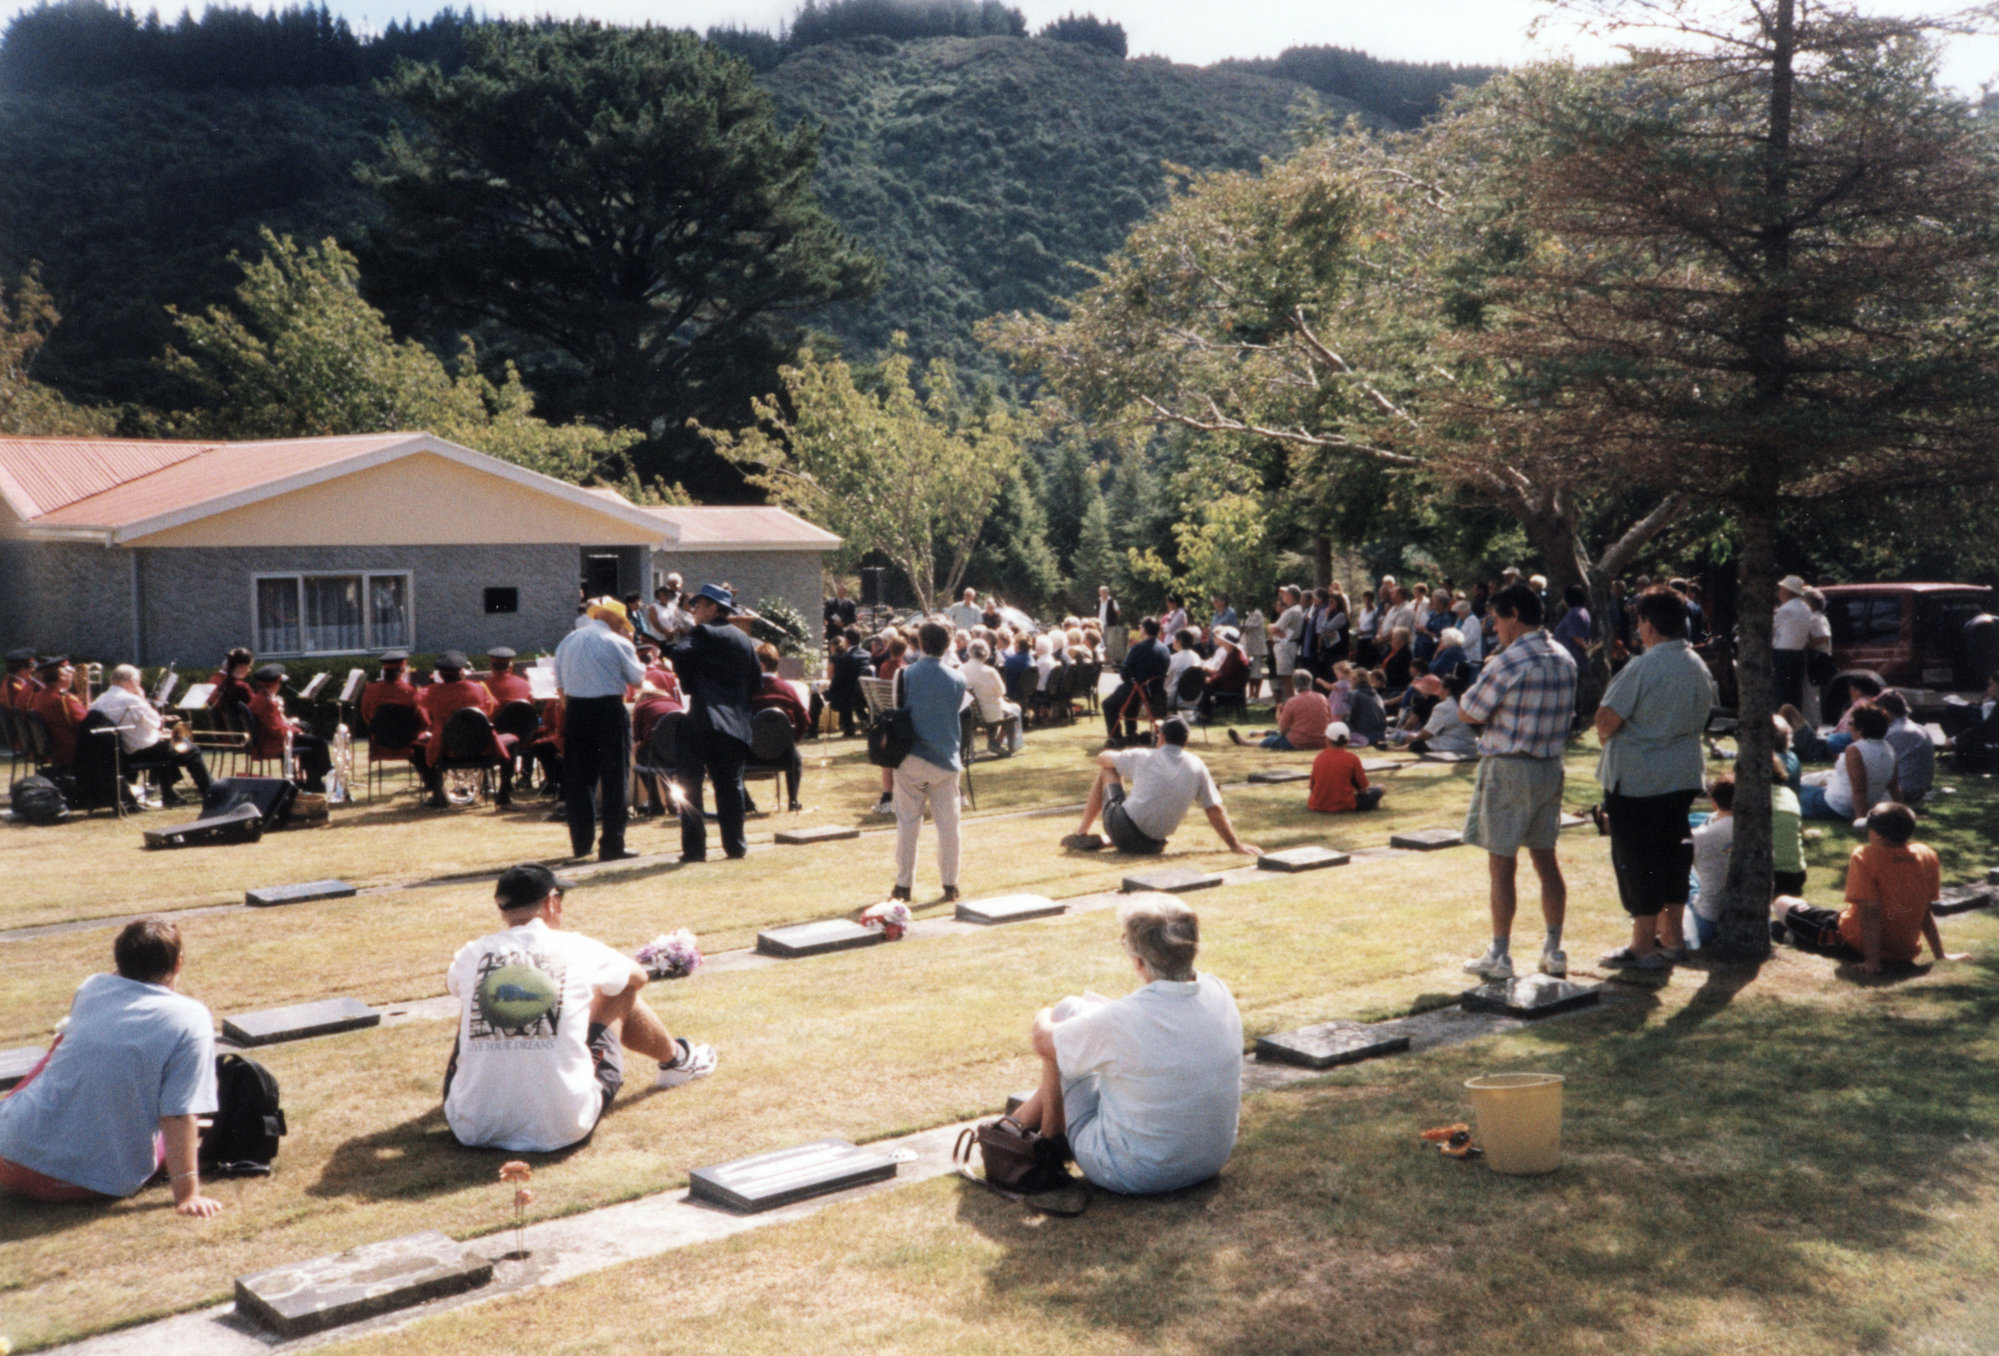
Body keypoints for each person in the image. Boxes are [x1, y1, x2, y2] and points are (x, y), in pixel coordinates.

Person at [443, 864, 715, 1152]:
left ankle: (490, 1093)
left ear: (502, 909)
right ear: (551, 901)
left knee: (478, 993)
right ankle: (678, 1060)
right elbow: (638, 977)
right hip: (562, 1126)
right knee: (619, 989)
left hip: (470, 1126)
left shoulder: (471, 953)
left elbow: (454, 986)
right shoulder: (578, 947)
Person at [1009, 897, 1242, 1195]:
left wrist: (1042, 1012)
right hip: (1208, 1160)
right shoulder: (1217, 990)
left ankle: (1046, 1136)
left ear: (1139, 961)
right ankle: (1017, 1123)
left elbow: (1043, 1041)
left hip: (1133, 1172)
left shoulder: (1123, 1020)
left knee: (1067, 1012)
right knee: (1080, 1037)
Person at [0, 918, 222, 1215]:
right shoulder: (190, 1018)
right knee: (178, 1137)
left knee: (60, 1048)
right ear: (178, 963)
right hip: (83, 1181)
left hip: (7, 1155)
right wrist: (188, 1195)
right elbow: (178, 1115)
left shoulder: (92, 988)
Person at [1592, 585, 1716, 971]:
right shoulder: (1698, 664)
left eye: (1639, 620)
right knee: (1673, 857)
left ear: (1647, 623)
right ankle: (1672, 938)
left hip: (1638, 780)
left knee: (1637, 860)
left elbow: (1605, 722)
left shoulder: (1643, 666)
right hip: (1680, 776)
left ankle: (1643, 944)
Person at [1459, 582, 1578, 982]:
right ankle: (1554, 948)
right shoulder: (1564, 656)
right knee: (1546, 860)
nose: (1494, 627)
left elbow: (1470, 711)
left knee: (1501, 865)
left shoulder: (1509, 661)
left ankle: (1500, 954)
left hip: (1510, 766)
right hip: (1550, 767)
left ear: (1513, 615)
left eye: (1496, 618)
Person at [1772, 803, 1963, 975]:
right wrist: (1940, 954)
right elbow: (1924, 909)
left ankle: (1788, 935)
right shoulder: (1926, 855)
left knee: (1781, 903)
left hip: (1854, 942)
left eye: (1870, 829)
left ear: (1878, 835)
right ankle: (1792, 935)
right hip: (1905, 951)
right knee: (1815, 918)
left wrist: (1872, 960)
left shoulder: (1865, 856)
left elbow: (1870, 911)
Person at [1067, 718, 1259, 857]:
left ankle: (1081, 833)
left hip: (1122, 828)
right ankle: (1107, 839)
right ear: (1186, 740)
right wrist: (1235, 844)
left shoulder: (1143, 755)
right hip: (1153, 845)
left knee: (1107, 769)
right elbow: (1213, 808)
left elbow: (1101, 758)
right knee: (1130, 803)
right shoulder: (1197, 764)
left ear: (1161, 737)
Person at [669, 584, 762, 864]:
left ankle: (695, 850)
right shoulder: (743, 638)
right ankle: (735, 846)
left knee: (691, 787)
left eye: (698, 605)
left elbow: (678, 654)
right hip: (734, 722)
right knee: (730, 786)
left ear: (712, 607)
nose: (694, 611)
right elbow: (756, 682)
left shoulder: (702, 632)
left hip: (703, 718)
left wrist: (691, 680)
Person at [554, 598, 646, 862]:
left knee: (579, 781)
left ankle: (581, 845)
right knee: (615, 777)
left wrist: (571, 709)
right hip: (607, 709)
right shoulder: (619, 643)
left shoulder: (568, 641)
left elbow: (559, 684)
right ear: (618, 621)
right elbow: (637, 679)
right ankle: (612, 845)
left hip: (576, 709)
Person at [887, 621, 967, 903]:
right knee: (949, 826)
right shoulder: (958, 678)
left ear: (919, 643)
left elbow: (897, 712)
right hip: (945, 759)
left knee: (908, 822)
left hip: (910, 756)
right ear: (947, 644)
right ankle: (950, 885)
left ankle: (904, 884)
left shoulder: (904, 674)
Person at [90, 664, 212, 806]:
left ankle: (169, 795)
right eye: (137, 681)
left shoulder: (99, 700)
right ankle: (211, 793)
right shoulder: (132, 699)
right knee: (191, 750)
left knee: (164, 746)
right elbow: (155, 721)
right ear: (131, 681)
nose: (138, 685)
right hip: (140, 751)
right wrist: (141, 698)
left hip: (122, 751)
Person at [413, 651, 514, 808]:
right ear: (462, 671)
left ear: (440, 674)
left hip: (446, 751)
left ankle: (437, 793)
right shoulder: (479, 688)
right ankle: (504, 793)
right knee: (512, 740)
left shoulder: (432, 692)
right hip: (483, 748)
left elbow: (418, 701)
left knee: (419, 746)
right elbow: (491, 709)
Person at [1799, 700, 1897, 821]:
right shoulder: (1889, 748)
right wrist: (1904, 812)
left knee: (1792, 791)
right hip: (1861, 804)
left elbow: (1859, 789)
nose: (1849, 728)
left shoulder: (1855, 750)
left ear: (1860, 728)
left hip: (1839, 807)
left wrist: (1860, 819)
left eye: (1850, 723)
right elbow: (1894, 787)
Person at [247, 664, 331, 792]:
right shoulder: (266, 703)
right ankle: (317, 779)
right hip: (274, 743)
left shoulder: (262, 698)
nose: (280, 686)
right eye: (279, 683)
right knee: (319, 742)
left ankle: (311, 780)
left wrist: (291, 723)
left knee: (309, 736)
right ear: (274, 684)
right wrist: (297, 729)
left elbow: (275, 723)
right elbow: (276, 730)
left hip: (271, 739)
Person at [749, 643, 811, 812]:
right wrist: (791, 741)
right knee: (795, 758)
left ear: (760, 665)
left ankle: (747, 803)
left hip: (751, 754)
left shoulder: (748, 690)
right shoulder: (788, 689)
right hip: (783, 754)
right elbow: (805, 720)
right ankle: (793, 800)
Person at [1105, 617, 1170, 747]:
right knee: (1130, 698)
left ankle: (1116, 736)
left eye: (1140, 627)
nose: (1139, 629)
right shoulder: (1165, 648)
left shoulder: (1138, 648)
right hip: (1156, 691)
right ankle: (1131, 733)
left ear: (1144, 630)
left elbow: (1124, 672)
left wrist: (1129, 679)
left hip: (1139, 688)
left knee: (1108, 704)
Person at [1228, 671, 1331, 750]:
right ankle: (1257, 733)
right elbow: (1330, 719)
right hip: (1322, 741)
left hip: (1300, 742)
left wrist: (1279, 712)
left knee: (1272, 740)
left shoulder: (1292, 701)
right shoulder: (1322, 697)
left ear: (1294, 684)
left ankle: (1245, 742)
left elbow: (1283, 729)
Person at [961, 639, 1022, 756]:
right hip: (990, 713)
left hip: (969, 713)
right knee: (1015, 709)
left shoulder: (961, 669)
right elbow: (1002, 691)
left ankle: (994, 741)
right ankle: (997, 743)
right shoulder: (989, 671)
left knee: (1003, 708)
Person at [1307, 722, 1383, 812]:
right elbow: (1363, 790)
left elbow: (1312, 787)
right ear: (1347, 741)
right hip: (1345, 805)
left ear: (1327, 739)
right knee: (1381, 788)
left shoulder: (1319, 757)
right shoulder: (1352, 758)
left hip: (1317, 804)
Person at [1876, 691, 1935, 803]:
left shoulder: (1895, 733)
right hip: (1917, 790)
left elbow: (1876, 768)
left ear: (1883, 711)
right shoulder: (1919, 728)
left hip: (1903, 793)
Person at [30, 657, 88, 768]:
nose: (72, 675)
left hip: (57, 751)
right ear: (61, 675)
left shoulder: (40, 696)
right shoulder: (64, 699)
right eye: (70, 672)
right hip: (72, 751)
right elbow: (86, 725)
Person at [823, 626, 873, 738]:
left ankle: (848, 727)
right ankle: (865, 719)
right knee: (847, 690)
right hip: (869, 693)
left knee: (841, 691)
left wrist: (829, 691)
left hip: (852, 695)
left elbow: (838, 679)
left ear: (846, 641)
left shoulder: (845, 658)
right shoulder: (868, 655)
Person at [1772, 574, 1813, 710]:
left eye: (1781, 589)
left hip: (1783, 655)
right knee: (1795, 694)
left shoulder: (1786, 609)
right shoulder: (1805, 608)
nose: (1779, 592)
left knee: (1781, 694)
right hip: (1798, 654)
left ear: (1788, 591)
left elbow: (1770, 626)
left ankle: (1782, 720)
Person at [204, 647, 255, 716]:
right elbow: (258, 707)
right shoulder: (241, 687)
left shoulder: (223, 684)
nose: (250, 670)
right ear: (242, 666)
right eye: (249, 667)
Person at [3, 648, 40, 713]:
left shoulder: (9, 679)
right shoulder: (18, 688)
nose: (34, 670)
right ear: (22, 670)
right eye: (32, 667)